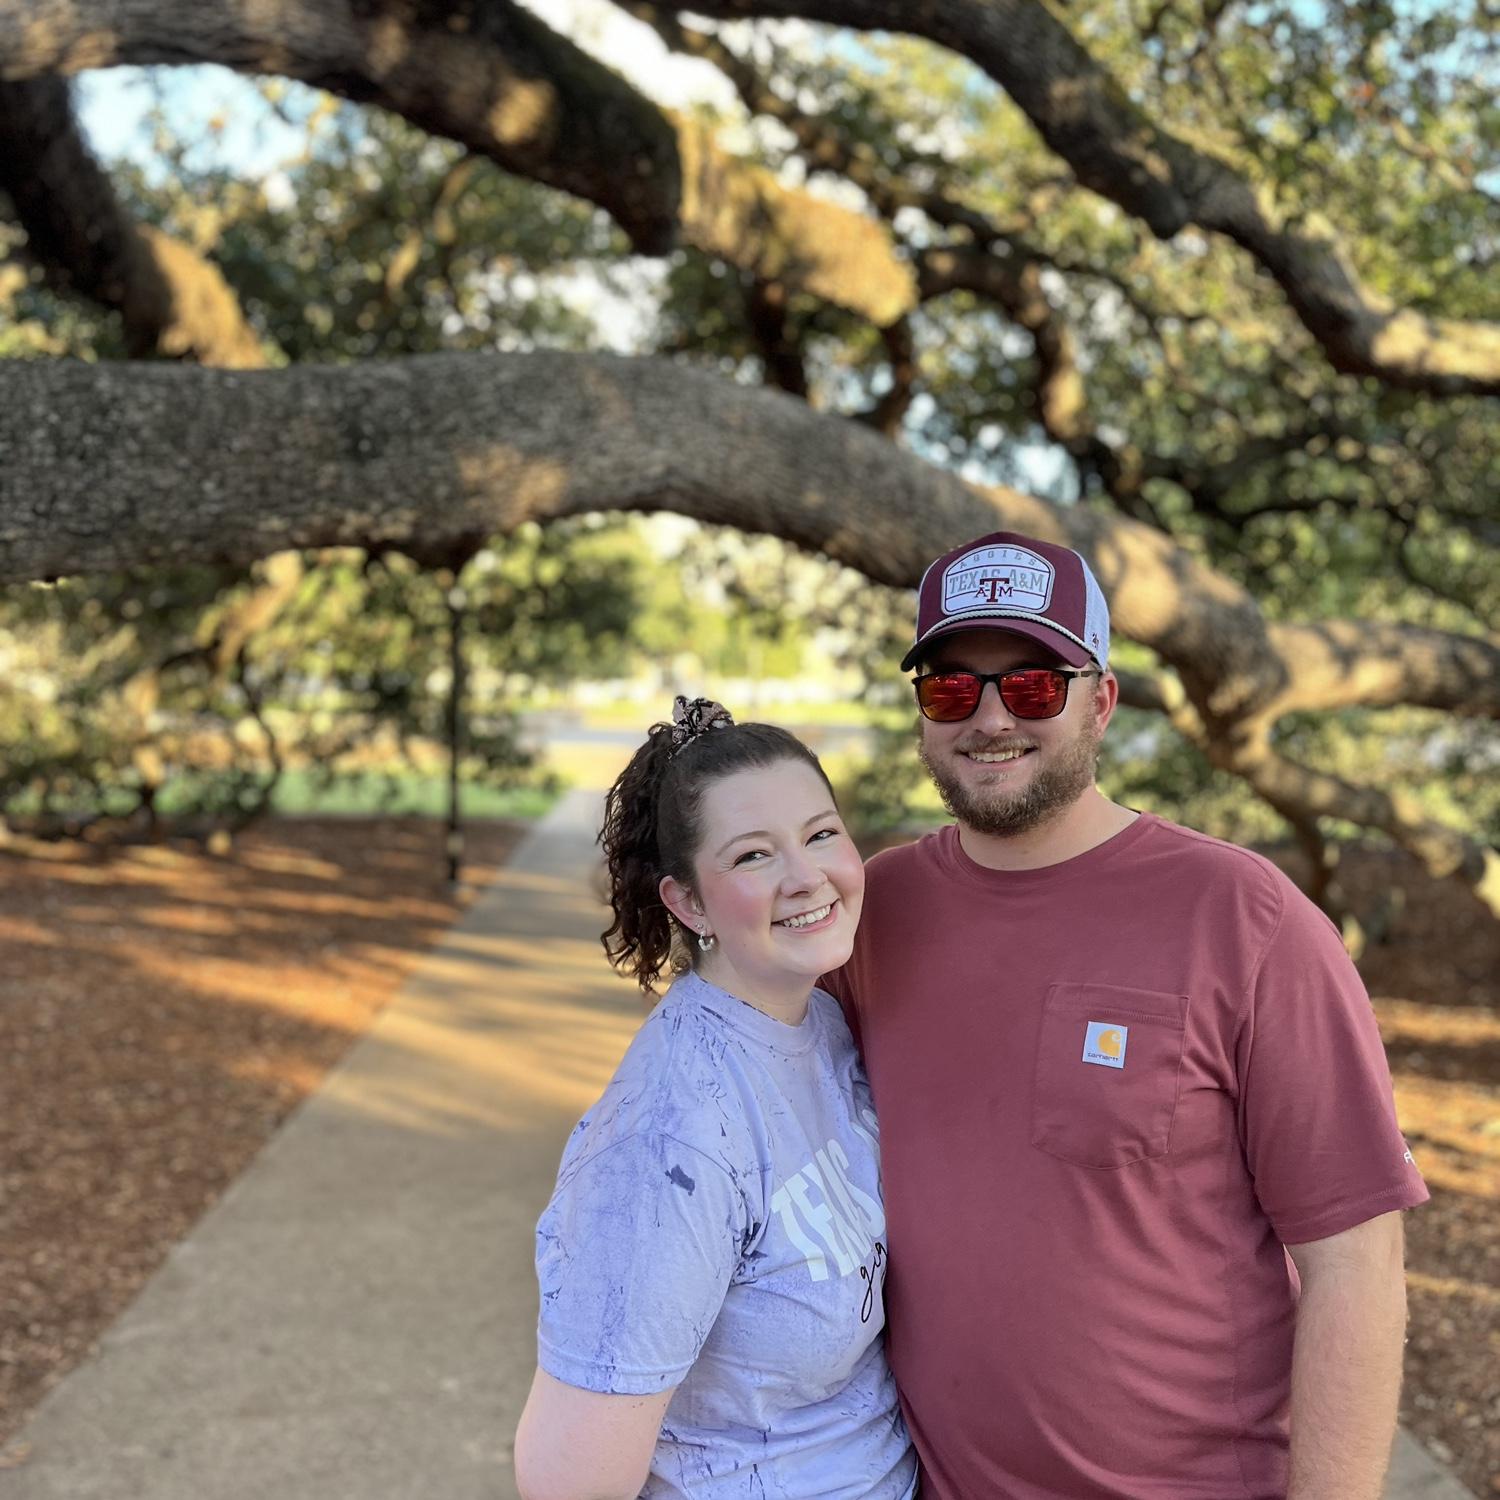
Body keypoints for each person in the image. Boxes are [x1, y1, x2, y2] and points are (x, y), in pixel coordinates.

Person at [822, 531, 1429, 1500]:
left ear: (1100, 701)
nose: (989, 718)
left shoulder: (1246, 920)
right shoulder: (870, 914)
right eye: (951, 688)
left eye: (1033, 687)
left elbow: (1355, 1257)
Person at [514, 697, 917, 1500]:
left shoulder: (820, 1022)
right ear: (689, 903)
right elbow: (569, 1480)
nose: (806, 877)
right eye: (753, 855)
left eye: (821, 834)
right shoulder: (670, 1139)